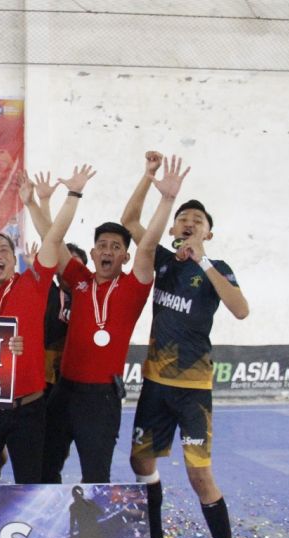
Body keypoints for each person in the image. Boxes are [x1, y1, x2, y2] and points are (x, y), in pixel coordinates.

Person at [122, 151, 249, 538]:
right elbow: (129, 220)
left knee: (199, 475)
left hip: (193, 389)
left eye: (198, 220)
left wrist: (203, 260)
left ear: (208, 233)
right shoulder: (160, 259)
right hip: (155, 384)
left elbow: (241, 309)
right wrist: (148, 177)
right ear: (174, 227)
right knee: (141, 464)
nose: (189, 222)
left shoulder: (217, 267)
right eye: (183, 218)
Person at [43, 157, 190, 485]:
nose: (107, 250)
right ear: (93, 253)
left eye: (115, 247)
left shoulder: (133, 286)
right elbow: (52, 239)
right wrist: (51, 199)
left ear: (125, 256)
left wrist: (167, 199)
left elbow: (148, 245)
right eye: (102, 246)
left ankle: (92, 521)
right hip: (63, 391)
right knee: (46, 468)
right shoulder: (80, 279)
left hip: (101, 398)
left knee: (96, 476)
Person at [0, 164, 92, 484]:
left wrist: (72, 194)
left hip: (29, 409)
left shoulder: (33, 284)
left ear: (13, 258)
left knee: (30, 483)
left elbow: (54, 237)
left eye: (3, 250)